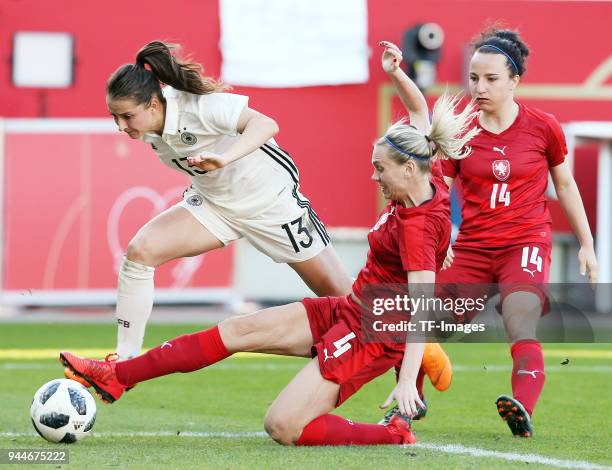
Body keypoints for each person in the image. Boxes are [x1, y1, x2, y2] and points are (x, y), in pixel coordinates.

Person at [59, 47, 480, 446]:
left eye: (379, 169)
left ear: (408, 169)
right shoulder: (426, 168)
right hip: (342, 300)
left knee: (283, 423)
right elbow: (419, 114)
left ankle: (397, 423)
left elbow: (421, 305)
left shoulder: (418, 227)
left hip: (352, 302)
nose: (374, 179)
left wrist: (408, 378)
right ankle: (120, 372)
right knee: (224, 319)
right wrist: (394, 73)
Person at [437, 28, 598, 437]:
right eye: (474, 78)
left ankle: (521, 410)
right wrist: (438, 241)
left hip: (524, 242)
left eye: (491, 79)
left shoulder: (543, 127)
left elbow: (564, 185)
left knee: (519, 317)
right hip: (471, 247)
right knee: (429, 322)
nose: (479, 87)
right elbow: (438, 191)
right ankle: (407, 405)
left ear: (515, 81)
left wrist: (586, 243)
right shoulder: (459, 130)